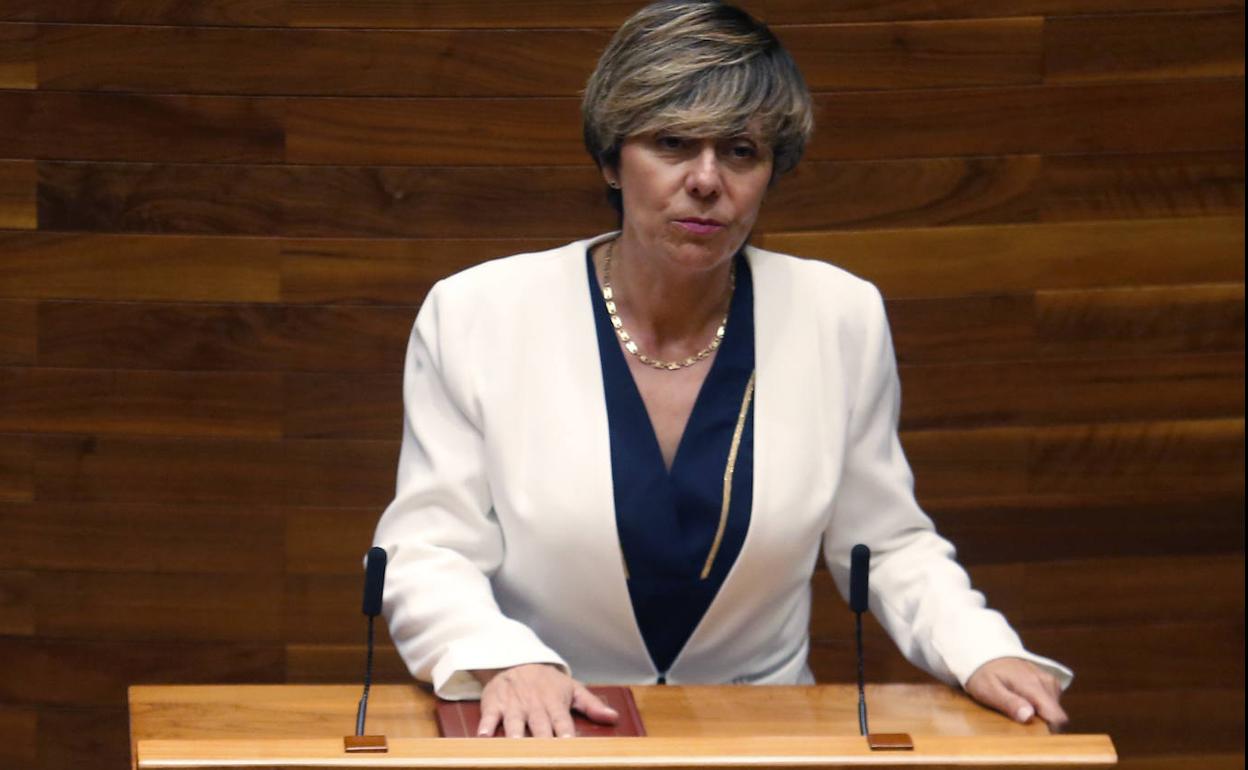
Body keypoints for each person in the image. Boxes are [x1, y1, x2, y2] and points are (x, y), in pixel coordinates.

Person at [372, 0, 1071, 739]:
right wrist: (503, 659)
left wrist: (980, 648)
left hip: (763, 728)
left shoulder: (840, 314)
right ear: (611, 160)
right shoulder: (478, 312)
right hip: (554, 722)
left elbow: (887, 543)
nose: (706, 180)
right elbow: (429, 548)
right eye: (672, 143)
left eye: (741, 151)